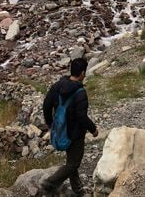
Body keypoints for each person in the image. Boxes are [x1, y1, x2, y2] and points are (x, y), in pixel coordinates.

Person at [41, 58, 98, 197]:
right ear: (83, 73)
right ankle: (50, 183)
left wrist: (50, 124)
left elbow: (46, 106)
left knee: (71, 161)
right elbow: (81, 117)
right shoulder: (80, 92)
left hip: (61, 130)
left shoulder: (57, 86)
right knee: (73, 164)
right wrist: (93, 129)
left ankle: (78, 189)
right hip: (75, 134)